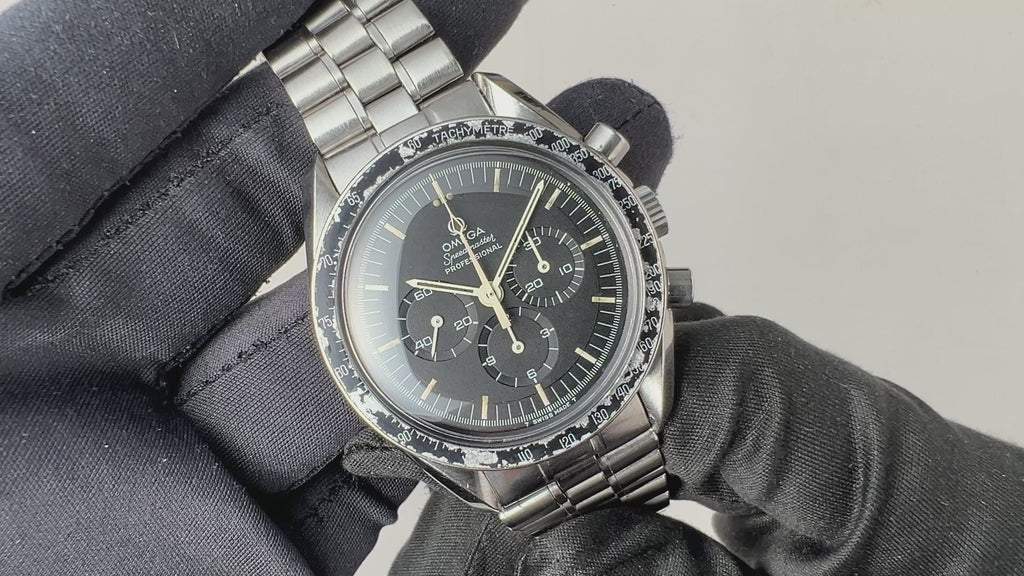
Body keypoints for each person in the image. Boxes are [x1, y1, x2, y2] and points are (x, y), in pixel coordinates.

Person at [1, 0, 1021, 574]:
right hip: (497, 391)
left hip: (591, 376)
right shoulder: (361, 295)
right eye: (469, 296)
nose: (488, 296)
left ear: (626, 215)